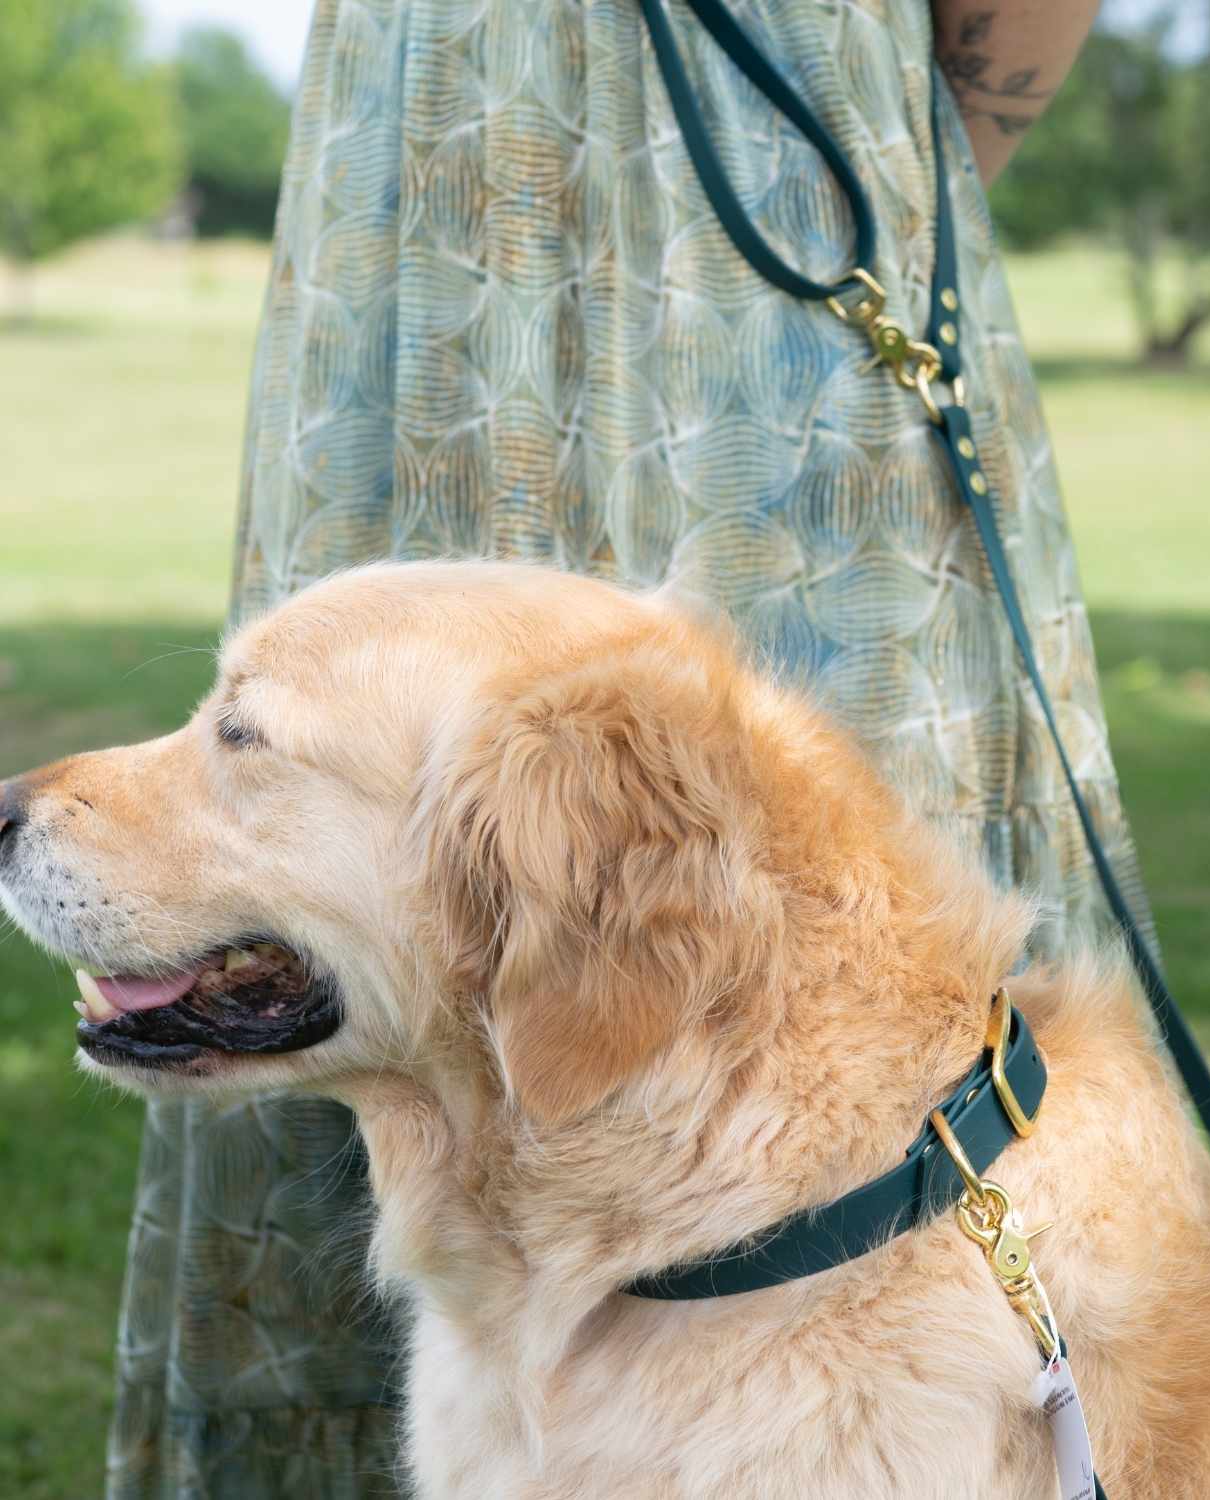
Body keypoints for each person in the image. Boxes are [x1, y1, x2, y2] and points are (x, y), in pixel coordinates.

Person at [104, 0, 1155, 1493]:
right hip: (439, 209)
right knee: (328, 769)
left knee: (816, 895)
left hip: (762, 212)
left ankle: (944, 1391)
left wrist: (870, 165)